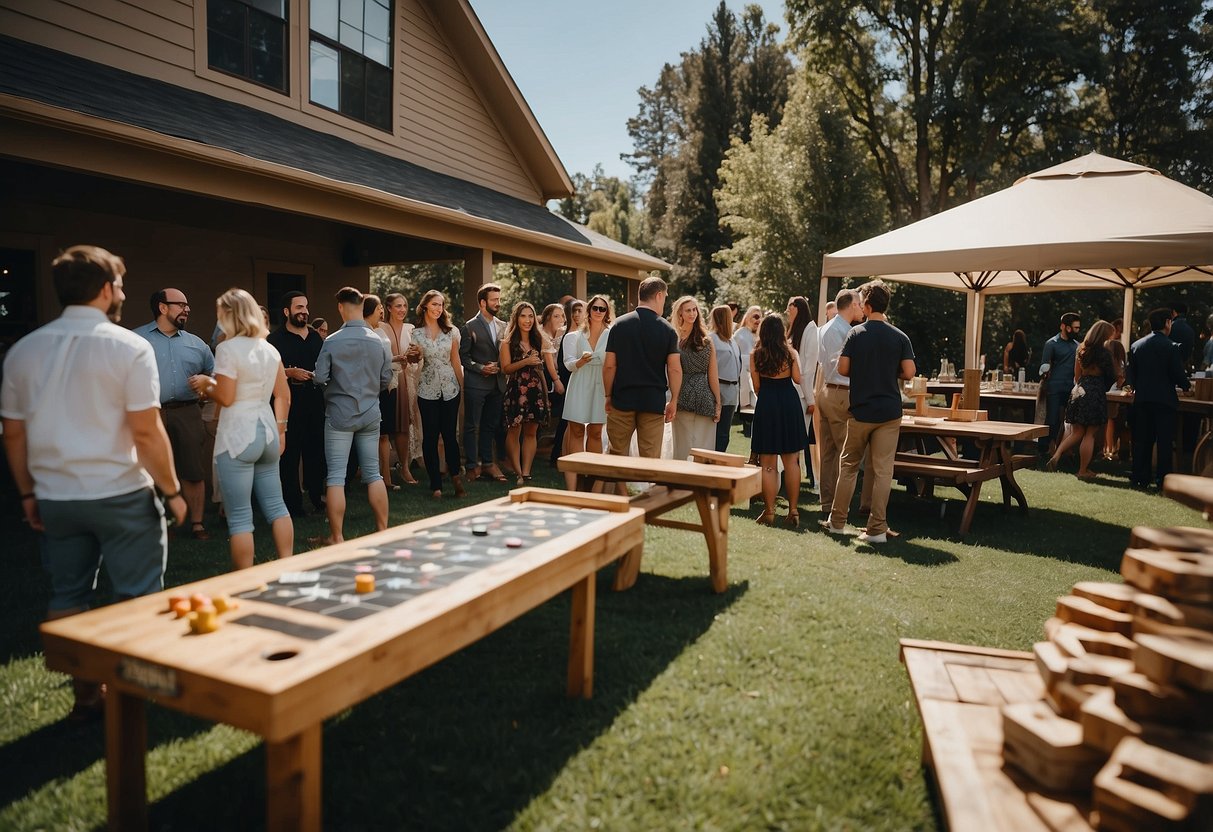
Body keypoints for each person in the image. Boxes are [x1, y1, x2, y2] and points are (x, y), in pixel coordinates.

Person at [1, 245, 186, 719]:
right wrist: (172, 491)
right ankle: (135, 696)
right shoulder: (129, 346)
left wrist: (27, 491)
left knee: (67, 595)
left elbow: (14, 433)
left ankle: (85, 696)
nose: (122, 292)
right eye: (120, 284)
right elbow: (145, 431)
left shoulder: (24, 350)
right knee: (137, 596)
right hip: (122, 493)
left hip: (57, 496)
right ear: (105, 290)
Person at [199, 288, 293, 569]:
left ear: (228, 316)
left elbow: (226, 397)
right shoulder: (270, 348)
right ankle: (288, 566)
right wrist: (282, 431)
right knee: (277, 507)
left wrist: (206, 385)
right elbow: (284, 395)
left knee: (240, 517)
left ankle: (245, 579)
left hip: (238, 435)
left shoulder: (227, 348)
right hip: (267, 432)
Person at [822, 281, 915, 544]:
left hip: (861, 411)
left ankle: (838, 522)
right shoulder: (900, 336)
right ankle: (876, 529)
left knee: (849, 465)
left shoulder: (855, 334)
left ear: (869, 305)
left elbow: (842, 369)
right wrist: (890, 371)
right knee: (884, 471)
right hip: (889, 412)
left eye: (862, 301)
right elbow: (909, 372)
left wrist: (864, 368)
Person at [313, 287, 392, 542]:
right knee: (373, 473)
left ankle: (337, 536)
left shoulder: (332, 341)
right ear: (362, 306)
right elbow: (385, 378)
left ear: (340, 308)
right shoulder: (378, 340)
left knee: (336, 476)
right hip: (370, 412)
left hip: (339, 414)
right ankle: (382, 530)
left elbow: (320, 377)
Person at [135, 287, 215, 540]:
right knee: (150, 470)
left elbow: (215, 377)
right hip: (150, 413)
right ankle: (156, 524)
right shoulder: (136, 341)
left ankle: (197, 523)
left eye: (187, 305)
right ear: (162, 307)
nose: (187, 309)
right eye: (180, 304)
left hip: (188, 412)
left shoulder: (197, 344)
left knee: (193, 469)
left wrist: (206, 383)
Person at [603, 276, 681, 458]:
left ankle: (619, 488)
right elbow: (674, 369)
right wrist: (674, 399)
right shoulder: (668, 330)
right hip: (652, 401)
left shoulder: (619, 325)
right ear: (659, 295)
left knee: (616, 454)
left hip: (622, 398)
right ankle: (649, 487)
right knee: (650, 457)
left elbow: (609, 366)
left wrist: (608, 395)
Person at [267, 291, 326, 517]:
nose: (304, 311)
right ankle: (293, 504)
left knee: (315, 452)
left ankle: (316, 498)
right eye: (299, 307)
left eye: (306, 307)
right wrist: (288, 372)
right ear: (286, 312)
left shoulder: (314, 337)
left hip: (314, 401)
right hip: (288, 403)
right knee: (290, 456)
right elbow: (266, 371)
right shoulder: (274, 340)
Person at [750, 314, 808, 526]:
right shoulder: (789, 353)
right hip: (788, 403)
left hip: (767, 403)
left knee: (767, 463)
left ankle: (770, 510)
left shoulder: (756, 354)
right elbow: (797, 379)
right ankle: (793, 511)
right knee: (791, 460)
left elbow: (756, 387)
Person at [1128, 307, 1190, 488]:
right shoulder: (1171, 347)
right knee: (1164, 443)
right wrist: (1186, 387)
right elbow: (1177, 374)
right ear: (1167, 323)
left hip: (1142, 399)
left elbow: (1132, 374)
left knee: (1142, 441)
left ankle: (1139, 476)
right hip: (1164, 400)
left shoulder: (1136, 345)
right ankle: (1162, 479)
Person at [815, 289, 864, 519]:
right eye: (859, 304)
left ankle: (828, 502)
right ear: (852, 304)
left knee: (830, 452)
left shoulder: (829, 327)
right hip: (839, 392)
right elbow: (840, 365)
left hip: (829, 391)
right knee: (843, 451)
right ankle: (836, 505)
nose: (862, 308)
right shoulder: (840, 330)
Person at [1046, 321, 1117, 480]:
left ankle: (1056, 455)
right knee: (1089, 434)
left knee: (1077, 432)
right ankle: (1083, 470)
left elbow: (1077, 377)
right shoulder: (1104, 353)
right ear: (1104, 335)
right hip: (1095, 392)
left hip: (1078, 391)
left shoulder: (1081, 350)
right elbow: (1112, 376)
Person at [413, 290, 466, 499]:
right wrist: (412, 357)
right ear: (425, 306)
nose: (438, 309)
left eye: (441, 305)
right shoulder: (416, 334)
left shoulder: (451, 331)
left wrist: (463, 388)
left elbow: (455, 360)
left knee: (450, 436)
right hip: (426, 389)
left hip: (451, 389)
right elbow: (416, 361)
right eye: (434, 304)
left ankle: (455, 477)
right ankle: (435, 484)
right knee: (430, 437)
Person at [460, 282, 507, 481]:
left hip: (498, 384)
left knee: (491, 425)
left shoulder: (504, 326)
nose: (498, 303)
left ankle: (488, 463)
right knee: (472, 426)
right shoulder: (469, 326)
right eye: (494, 300)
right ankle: (471, 466)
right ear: (482, 302)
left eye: (499, 299)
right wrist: (481, 368)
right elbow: (463, 357)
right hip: (476, 384)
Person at [500, 301, 550, 484]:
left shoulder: (538, 340)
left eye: (530, 316)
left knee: (531, 431)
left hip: (535, 390)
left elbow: (541, 369)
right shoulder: (507, 343)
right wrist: (525, 362)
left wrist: (545, 395)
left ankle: (527, 472)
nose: (527, 320)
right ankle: (518, 471)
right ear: (516, 318)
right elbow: (505, 368)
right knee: (514, 430)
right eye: (523, 316)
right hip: (516, 390)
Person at [563, 295, 610, 474]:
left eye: (602, 309)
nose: (598, 312)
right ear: (589, 310)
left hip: (600, 383)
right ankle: (575, 471)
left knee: (596, 431)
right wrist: (581, 361)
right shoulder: (573, 336)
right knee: (576, 430)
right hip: (580, 382)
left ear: (606, 313)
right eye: (595, 308)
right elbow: (568, 364)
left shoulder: (611, 334)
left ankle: (593, 473)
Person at [670, 296, 721, 460]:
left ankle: (702, 484)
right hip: (681, 395)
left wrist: (718, 402)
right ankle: (681, 485)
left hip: (703, 396)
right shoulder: (674, 339)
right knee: (681, 447)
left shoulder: (706, 340)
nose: (692, 313)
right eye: (688, 310)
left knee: (704, 449)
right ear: (680, 313)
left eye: (694, 309)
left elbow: (713, 374)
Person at [379, 293, 422, 486]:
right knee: (385, 428)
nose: (402, 310)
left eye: (405, 305)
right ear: (388, 308)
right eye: (398, 306)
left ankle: (404, 467)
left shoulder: (410, 329)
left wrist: (416, 355)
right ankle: (382, 471)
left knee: (404, 424)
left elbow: (416, 359)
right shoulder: (380, 328)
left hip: (405, 379)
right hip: (386, 381)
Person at [1039, 312, 1082, 455]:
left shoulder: (1078, 345)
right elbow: (1044, 366)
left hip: (1072, 389)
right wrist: (1044, 372)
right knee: (1052, 419)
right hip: (1054, 388)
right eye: (1074, 328)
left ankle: (1063, 448)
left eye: (1078, 328)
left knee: (1070, 421)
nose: (1077, 331)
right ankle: (1045, 449)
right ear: (1064, 327)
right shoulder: (1051, 344)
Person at [787, 296, 818, 486]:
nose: (788, 312)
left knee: (799, 439)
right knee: (793, 439)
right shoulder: (797, 329)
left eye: (789, 308)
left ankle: (796, 480)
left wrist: (810, 399)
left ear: (797, 308)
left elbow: (809, 368)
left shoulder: (811, 329)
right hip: (793, 392)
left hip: (801, 393)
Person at [709, 305, 741, 453]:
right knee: (718, 434)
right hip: (720, 388)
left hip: (733, 390)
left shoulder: (732, 341)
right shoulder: (712, 339)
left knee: (725, 434)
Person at [539, 302, 567, 466]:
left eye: (562, 316)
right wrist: (556, 380)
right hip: (545, 382)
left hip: (559, 380)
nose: (561, 319)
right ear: (548, 317)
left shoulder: (563, 336)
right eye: (556, 316)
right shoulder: (541, 335)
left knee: (562, 416)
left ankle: (556, 453)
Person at [734, 305, 762, 428]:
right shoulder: (739, 334)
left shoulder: (760, 335)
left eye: (760, 318)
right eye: (755, 317)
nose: (758, 320)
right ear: (748, 317)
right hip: (743, 375)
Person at [1103, 335, 1128, 461]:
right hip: (1118, 397)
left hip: (1110, 396)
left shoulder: (1111, 363)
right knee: (1115, 422)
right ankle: (1112, 448)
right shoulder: (1122, 363)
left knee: (1109, 421)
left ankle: (1109, 449)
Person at [1170, 302, 1195, 369]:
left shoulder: (1169, 328)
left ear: (1174, 312)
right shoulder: (1190, 330)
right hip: (1183, 366)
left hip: (1169, 366)